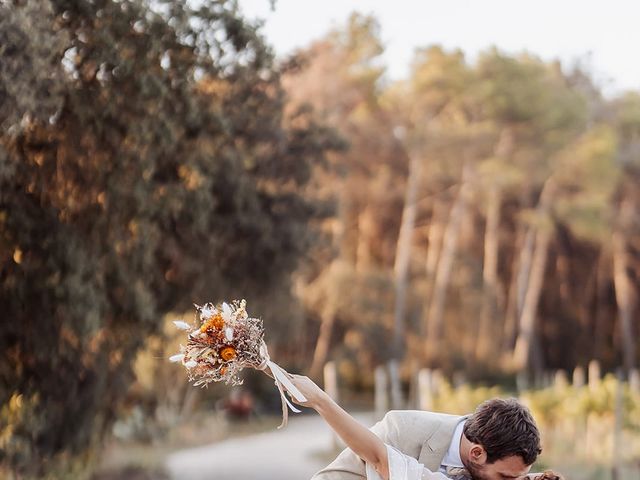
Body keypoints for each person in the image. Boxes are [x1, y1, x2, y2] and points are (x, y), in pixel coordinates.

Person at [287, 374, 563, 480]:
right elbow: (377, 456)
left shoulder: (491, 461)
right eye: (505, 478)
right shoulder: (403, 430)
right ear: (477, 453)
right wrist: (320, 400)